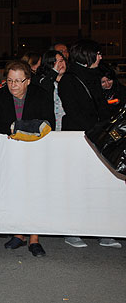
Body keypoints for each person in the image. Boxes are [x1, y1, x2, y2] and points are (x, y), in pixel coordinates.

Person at [0, 60, 54, 257]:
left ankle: (34, 238)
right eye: (9, 80)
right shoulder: (0, 96)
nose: (13, 85)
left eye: (18, 81)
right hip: (9, 152)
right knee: (13, 192)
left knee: (35, 193)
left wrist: (16, 128)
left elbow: (47, 123)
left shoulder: (41, 95)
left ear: (28, 81)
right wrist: (21, 129)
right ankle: (18, 234)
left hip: (36, 151)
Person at [57, 40, 119, 249]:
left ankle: (103, 230)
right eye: (98, 53)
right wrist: (96, 130)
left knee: (101, 185)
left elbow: (105, 107)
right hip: (79, 139)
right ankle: (73, 230)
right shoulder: (69, 80)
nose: (101, 57)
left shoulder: (97, 77)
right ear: (86, 56)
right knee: (78, 186)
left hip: (99, 138)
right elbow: (74, 112)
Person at [34, 50, 67, 131]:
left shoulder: (70, 80)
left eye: (61, 60)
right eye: (55, 61)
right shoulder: (43, 80)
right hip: (51, 126)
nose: (60, 64)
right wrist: (54, 71)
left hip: (67, 125)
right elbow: (44, 89)